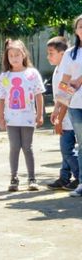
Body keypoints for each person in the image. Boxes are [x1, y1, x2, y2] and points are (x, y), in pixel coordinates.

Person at [0, 39, 45, 192]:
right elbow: (1, 98)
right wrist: (2, 118)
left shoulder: (32, 74)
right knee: (14, 147)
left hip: (28, 117)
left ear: (24, 54)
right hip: (12, 119)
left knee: (27, 147)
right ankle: (14, 177)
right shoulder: (5, 76)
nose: (14, 58)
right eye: (11, 55)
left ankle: (32, 178)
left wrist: (40, 114)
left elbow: (38, 95)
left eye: (17, 54)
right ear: (7, 57)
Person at [46, 36, 79, 191]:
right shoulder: (57, 70)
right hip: (63, 115)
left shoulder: (68, 71)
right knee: (65, 149)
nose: (48, 56)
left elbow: (68, 94)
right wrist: (56, 110)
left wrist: (60, 118)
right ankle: (64, 177)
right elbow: (59, 95)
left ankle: (79, 178)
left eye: (51, 53)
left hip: (69, 118)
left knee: (67, 149)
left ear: (63, 53)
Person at [55, 14, 82, 197]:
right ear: (76, 31)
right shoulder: (70, 53)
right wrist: (60, 110)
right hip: (76, 105)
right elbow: (65, 83)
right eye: (80, 26)